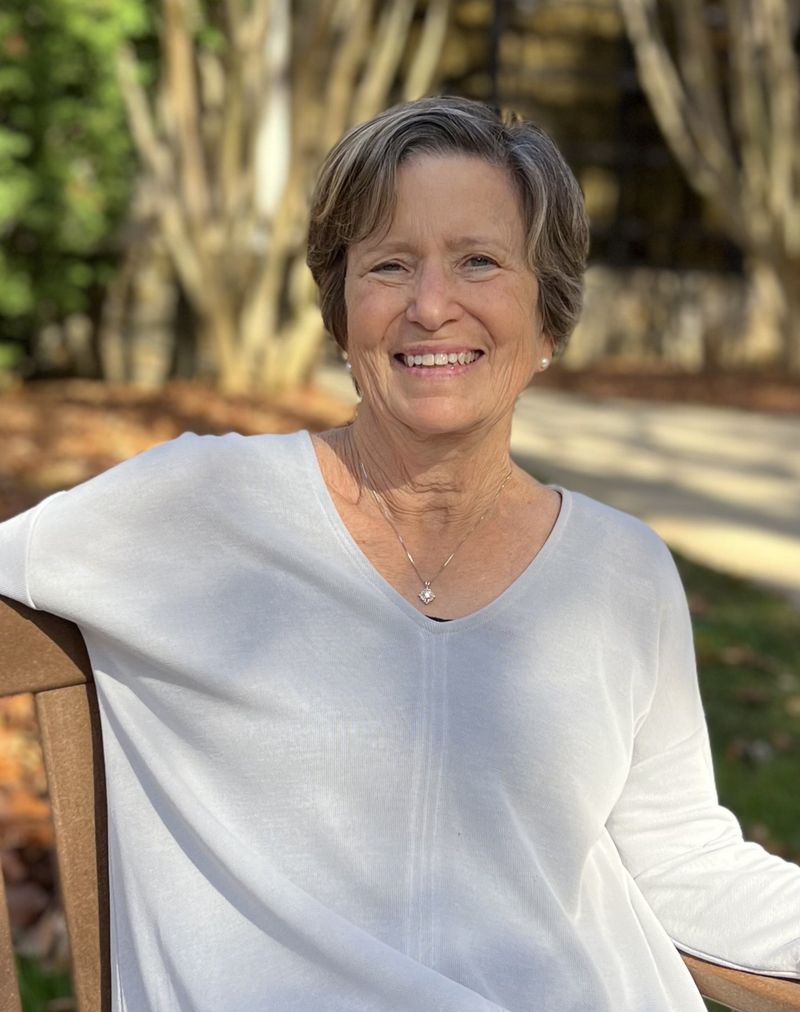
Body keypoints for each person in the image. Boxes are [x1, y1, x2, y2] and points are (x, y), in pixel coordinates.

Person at [0, 96, 798, 1012]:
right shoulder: (195, 512)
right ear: (342, 315)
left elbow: (683, 862)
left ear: (548, 320)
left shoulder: (621, 574)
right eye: (389, 264)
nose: (431, 306)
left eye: (478, 261)